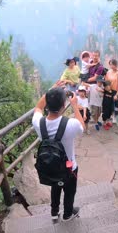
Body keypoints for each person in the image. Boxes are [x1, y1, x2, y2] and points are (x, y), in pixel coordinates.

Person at [32, 82, 85, 222]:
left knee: (55, 187)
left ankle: (54, 212)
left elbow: (38, 107)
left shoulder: (38, 123)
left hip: (50, 167)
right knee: (69, 192)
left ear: (47, 105)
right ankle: (68, 214)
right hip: (69, 168)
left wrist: (50, 92)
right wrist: (74, 104)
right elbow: (82, 126)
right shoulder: (71, 124)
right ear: (63, 105)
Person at [105, 59, 118, 123]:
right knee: (109, 104)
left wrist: (117, 95)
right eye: (110, 64)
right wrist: (107, 89)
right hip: (109, 90)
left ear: (115, 65)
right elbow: (106, 81)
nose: (110, 66)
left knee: (116, 105)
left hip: (116, 91)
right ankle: (110, 115)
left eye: (111, 64)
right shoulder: (109, 72)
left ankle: (114, 117)